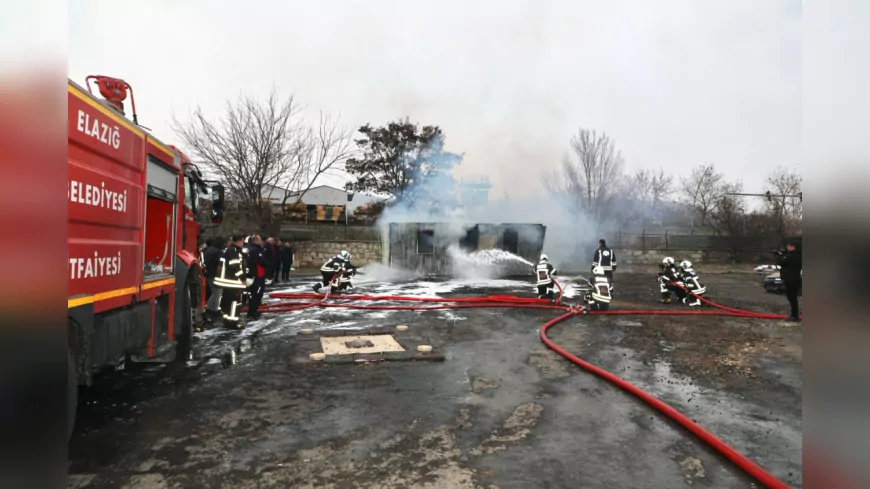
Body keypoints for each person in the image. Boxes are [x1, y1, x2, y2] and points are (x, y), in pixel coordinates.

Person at [214, 234, 247, 329]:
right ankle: (233, 322)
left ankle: (227, 321)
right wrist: (242, 278)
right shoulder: (233, 251)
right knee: (234, 303)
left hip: (228, 281)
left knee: (227, 303)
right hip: (232, 282)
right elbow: (234, 266)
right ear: (240, 241)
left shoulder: (229, 249)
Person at [202, 236, 225, 329]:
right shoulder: (219, 252)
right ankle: (211, 310)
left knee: (214, 293)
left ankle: (211, 310)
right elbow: (220, 266)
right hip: (216, 275)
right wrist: (220, 276)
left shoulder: (208, 250)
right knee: (217, 293)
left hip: (208, 274)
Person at [245, 235, 269, 320]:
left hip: (251, 274)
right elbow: (261, 260)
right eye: (260, 240)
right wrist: (266, 264)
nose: (261, 241)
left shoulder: (248, 248)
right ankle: (253, 312)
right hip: (257, 275)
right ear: (256, 240)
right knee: (256, 294)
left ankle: (253, 310)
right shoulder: (255, 250)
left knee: (253, 293)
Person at [777, 241, 802, 321]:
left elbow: (781, 262)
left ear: (793, 247)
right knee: (792, 298)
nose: (787, 248)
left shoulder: (792, 256)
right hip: (794, 278)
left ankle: (794, 316)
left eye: (788, 246)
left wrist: (780, 255)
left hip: (791, 279)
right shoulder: (797, 256)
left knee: (792, 298)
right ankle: (794, 315)